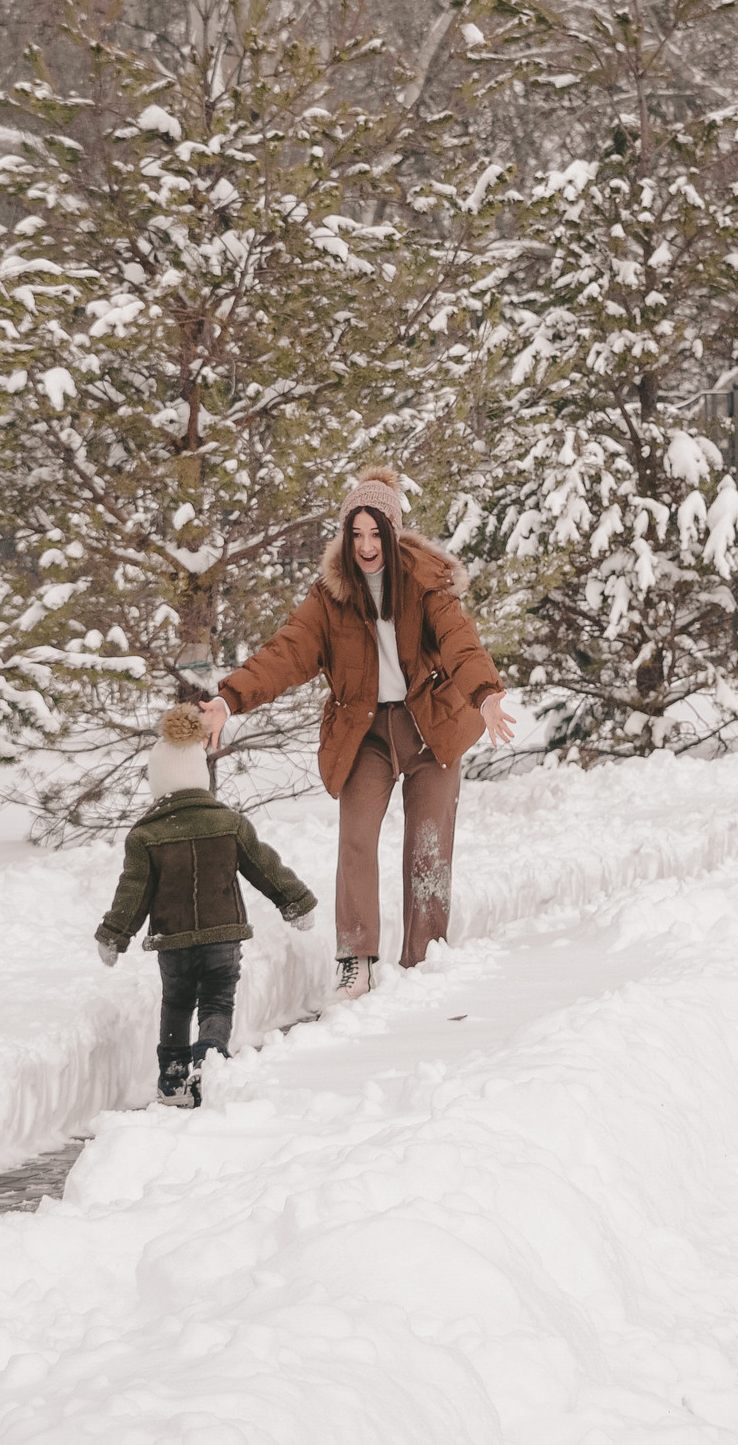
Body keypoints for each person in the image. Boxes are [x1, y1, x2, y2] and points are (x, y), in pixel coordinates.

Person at [203, 465, 514, 998]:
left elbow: (461, 642)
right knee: (357, 838)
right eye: (356, 532)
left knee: (429, 842)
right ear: (345, 535)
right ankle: (357, 958)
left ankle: (425, 952)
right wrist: (229, 699)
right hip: (364, 730)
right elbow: (287, 652)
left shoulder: (424, 584)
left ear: (392, 534)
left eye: (376, 533)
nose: (366, 545)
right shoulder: (330, 596)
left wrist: (484, 694)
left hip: (430, 725)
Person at [95, 702, 317, 1107]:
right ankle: (209, 1060)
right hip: (222, 935)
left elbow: (133, 892)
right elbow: (265, 867)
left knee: (176, 1001)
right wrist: (295, 901)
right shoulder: (229, 823)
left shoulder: (145, 836)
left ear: (158, 782)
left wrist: (114, 935)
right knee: (217, 999)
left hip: (173, 938)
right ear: (201, 776)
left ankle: (173, 1078)